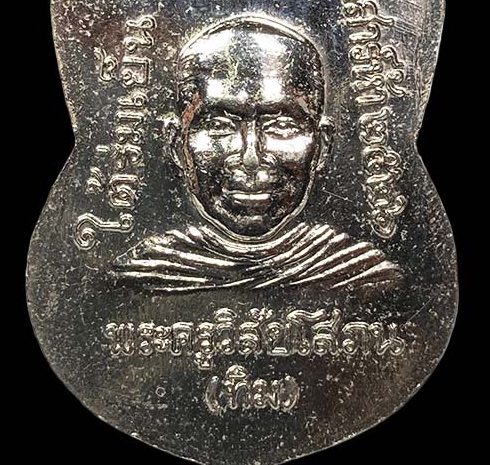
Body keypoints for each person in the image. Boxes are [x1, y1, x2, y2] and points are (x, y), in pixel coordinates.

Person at [112, 14, 402, 292]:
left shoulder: (361, 274)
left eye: (282, 126)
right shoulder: (145, 273)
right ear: (176, 143)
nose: (250, 158)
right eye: (219, 126)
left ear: (323, 146)